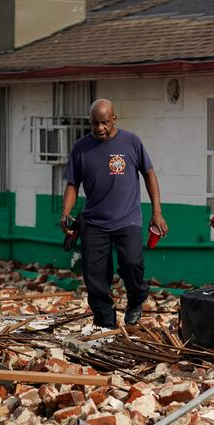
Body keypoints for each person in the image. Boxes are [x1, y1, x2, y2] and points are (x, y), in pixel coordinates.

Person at [61, 98, 167, 328]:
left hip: (127, 219)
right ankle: (105, 321)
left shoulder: (131, 142)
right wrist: (65, 213)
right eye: (95, 123)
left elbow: (149, 174)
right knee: (94, 276)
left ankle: (136, 300)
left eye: (105, 122)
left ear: (114, 119)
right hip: (94, 222)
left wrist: (156, 212)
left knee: (131, 263)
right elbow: (72, 183)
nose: (100, 128)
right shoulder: (81, 147)